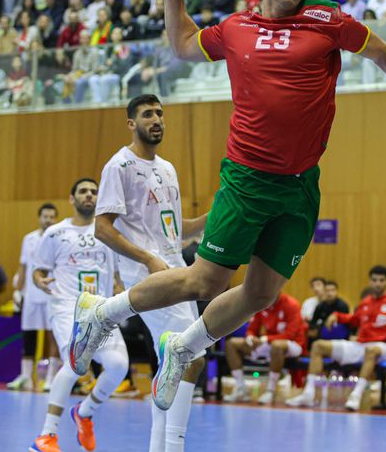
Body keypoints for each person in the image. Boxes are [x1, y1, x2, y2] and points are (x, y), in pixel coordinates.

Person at [68, 0, 386, 414]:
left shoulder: (326, 20)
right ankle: (102, 314)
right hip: (248, 178)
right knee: (204, 281)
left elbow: (381, 52)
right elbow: (184, 43)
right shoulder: (235, 27)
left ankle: (182, 347)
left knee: (261, 294)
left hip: (301, 186)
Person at [93, 94, 208, 452]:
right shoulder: (120, 166)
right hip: (149, 276)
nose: (156, 119)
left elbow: (176, 231)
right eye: (147, 114)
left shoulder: (169, 168)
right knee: (190, 355)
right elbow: (102, 227)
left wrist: (214, 216)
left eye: (160, 113)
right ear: (131, 123)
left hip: (178, 272)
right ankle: (174, 446)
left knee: (172, 362)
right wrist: (147, 259)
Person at [29, 178, 129, 452]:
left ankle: (84, 413)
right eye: (83, 191)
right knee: (75, 364)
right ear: (71, 199)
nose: (89, 195)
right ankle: (47, 435)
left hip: (102, 309)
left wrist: (120, 286)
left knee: (119, 366)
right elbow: (39, 269)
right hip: (68, 309)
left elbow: (118, 271)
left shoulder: (109, 232)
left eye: (94, 192)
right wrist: (40, 281)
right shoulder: (55, 233)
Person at [286, 265, 386, 411]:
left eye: (381, 280)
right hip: (361, 345)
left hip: (383, 347)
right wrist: (337, 316)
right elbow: (353, 320)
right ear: (370, 281)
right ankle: (308, 393)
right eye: (375, 280)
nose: (378, 284)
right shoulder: (365, 303)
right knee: (318, 346)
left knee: (372, 350)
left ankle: (356, 395)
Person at [8, 203, 61, 392]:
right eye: (45, 216)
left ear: (56, 218)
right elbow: (23, 266)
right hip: (31, 293)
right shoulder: (28, 239)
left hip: (51, 292)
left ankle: (51, 377)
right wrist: (18, 290)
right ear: (39, 218)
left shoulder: (58, 237)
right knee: (28, 335)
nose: (48, 219)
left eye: (51, 216)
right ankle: (25, 377)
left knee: (52, 335)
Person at [224, 291, 307, 404]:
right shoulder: (263, 304)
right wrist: (251, 337)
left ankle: (270, 391)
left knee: (277, 345)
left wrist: (265, 339)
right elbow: (252, 328)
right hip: (270, 343)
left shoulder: (292, 305)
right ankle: (241, 389)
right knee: (231, 343)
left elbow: (290, 334)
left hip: (294, 344)